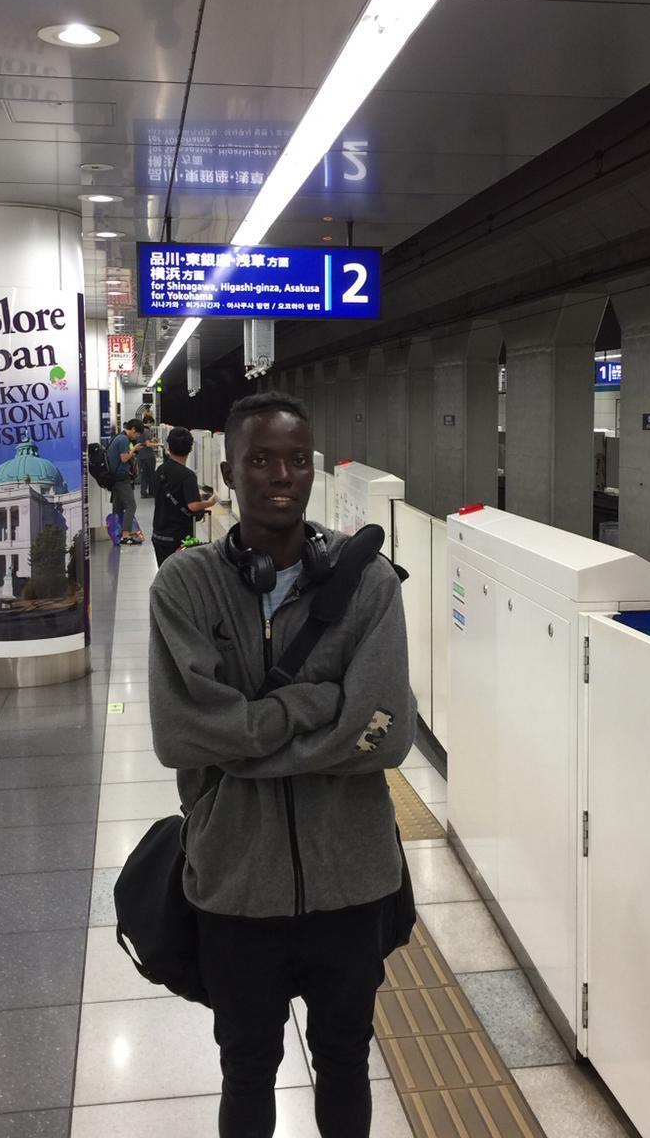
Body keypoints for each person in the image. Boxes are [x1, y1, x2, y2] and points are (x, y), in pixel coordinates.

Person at [150, 391, 415, 1138]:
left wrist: (242, 748)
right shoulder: (186, 586)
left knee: (346, 1060)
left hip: (352, 880)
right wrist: (317, 705)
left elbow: (385, 734)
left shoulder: (368, 582)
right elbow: (182, 734)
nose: (281, 475)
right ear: (228, 472)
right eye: (261, 459)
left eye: (297, 459)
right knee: (247, 1068)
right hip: (237, 884)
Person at [149, 426, 215, 566]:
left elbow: (158, 492)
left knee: (164, 572)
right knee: (180, 574)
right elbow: (193, 506)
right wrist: (210, 502)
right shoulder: (188, 476)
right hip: (179, 536)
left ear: (169, 447)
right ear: (190, 449)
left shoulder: (161, 469)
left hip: (158, 533)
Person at [111, 418, 144, 545]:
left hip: (115, 478)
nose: (136, 437)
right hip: (121, 478)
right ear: (133, 429)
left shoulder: (118, 437)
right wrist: (134, 449)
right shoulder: (123, 439)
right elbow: (124, 458)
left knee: (118, 507)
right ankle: (125, 536)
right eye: (137, 434)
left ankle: (117, 533)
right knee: (131, 506)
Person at [137, 410, 160, 498]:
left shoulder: (140, 430)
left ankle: (143, 492)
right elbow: (148, 444)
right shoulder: (146, 431)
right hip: (148, 456)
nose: (152, 426)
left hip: (141, 456)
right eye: (152, 424)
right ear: (149, 422)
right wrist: (159, 444)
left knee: (143, 475)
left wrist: (151, 440)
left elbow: (143, 442)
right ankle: (151, 492)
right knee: (151, 475)